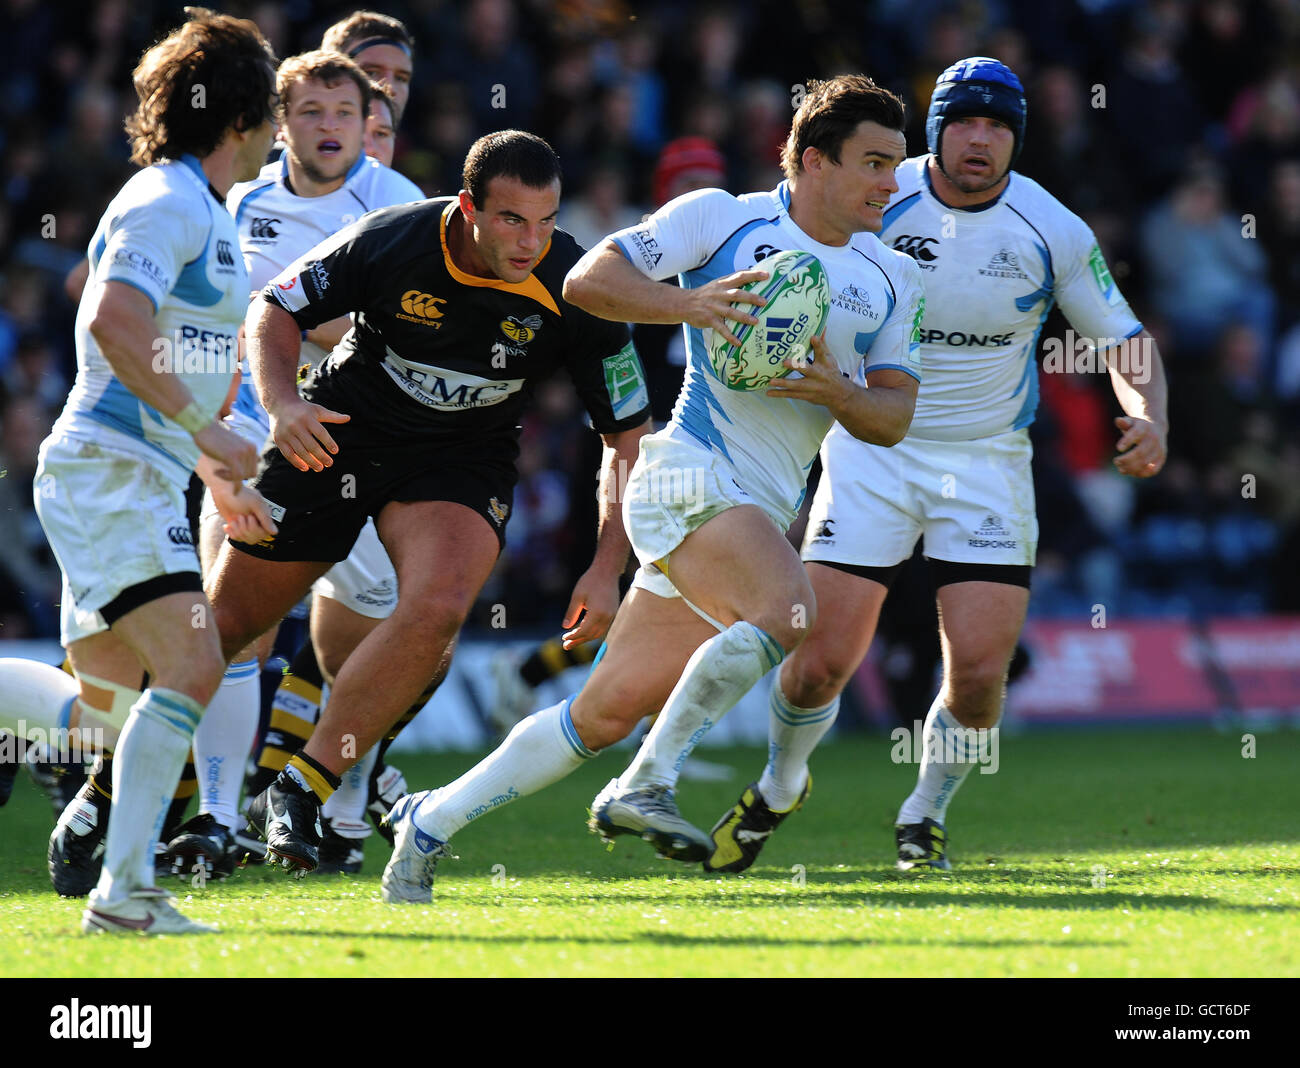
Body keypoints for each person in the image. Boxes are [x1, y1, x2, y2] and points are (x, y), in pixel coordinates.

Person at [379, 74, 924, 904]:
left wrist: (839, 393)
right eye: (876, 162)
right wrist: (692, 304)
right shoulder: (721, 218)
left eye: (898, 162)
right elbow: (588, 281)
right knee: (790, 614)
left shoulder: (892, 279)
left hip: (753, 507)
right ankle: (647, 784)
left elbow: (892, 416)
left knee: (598, 715)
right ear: (814, 161)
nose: (893, 182)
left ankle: (429, 823)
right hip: (685, 469)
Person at [699, 57, 1169, 875]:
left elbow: (1124, 340)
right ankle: (779, 784)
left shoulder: (1051, 228)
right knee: (817, 666)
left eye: (997, 126)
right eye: (964, 122)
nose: (980, 140)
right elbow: (792, 251)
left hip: (987, 463)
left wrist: (1148, 413)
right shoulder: (880, 195)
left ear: (1016, 138)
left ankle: (924, 813)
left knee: (982, 675)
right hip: (873, 448)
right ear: (936, 130)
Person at [200, 129, 651, 876]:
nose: (531, 241)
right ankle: (102, 788)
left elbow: (628, 442)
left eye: (546, 221)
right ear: (468, 206)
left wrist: (608, 569)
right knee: (225, 627)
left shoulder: (580, 286)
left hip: (459, 462)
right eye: (511, 220)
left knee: (439, 605)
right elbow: (274, 309)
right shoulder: (395, 239)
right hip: (340, 434)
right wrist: (281, 404)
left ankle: (299, 787)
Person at [0, 8, 279, 934]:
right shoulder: (165, 200)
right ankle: (125, 899)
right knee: (195, 664)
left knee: (105, 710)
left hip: (136, 472)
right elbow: (112, 324)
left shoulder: (204, 209)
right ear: (246, 115)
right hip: (110, 468)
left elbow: (171, 352)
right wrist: (214, 430)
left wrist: (214, 461)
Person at [156, 49, 424, 880]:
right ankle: (218, 817)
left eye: (344, 113)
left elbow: (414, 332)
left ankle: (340, 814)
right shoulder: (238, 204)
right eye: (311, 112)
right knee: (231, 630)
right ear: (282, 125)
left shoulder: (399, 204)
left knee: (370, 644)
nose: (331, 127)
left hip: (362, 452)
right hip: (250, 441)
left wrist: (307, 329)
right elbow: (210, 318)